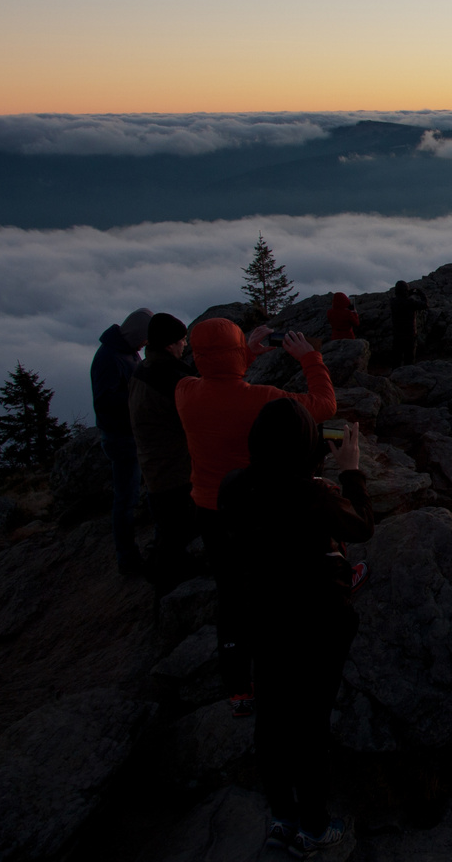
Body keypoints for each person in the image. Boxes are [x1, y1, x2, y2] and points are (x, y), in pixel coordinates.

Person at [218, 405, 372, 857]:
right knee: (310, 723)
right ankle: (315, 827)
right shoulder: (316, 496)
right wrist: (350, 470)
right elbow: (361, 524)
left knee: (272, 719)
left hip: (262, 616)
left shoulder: (236, 487)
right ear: (307, 447)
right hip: (318, 619)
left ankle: (282, 817)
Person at [175, 319, 336, 716]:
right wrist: (310, 358)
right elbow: (324, 406)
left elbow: (215, 378)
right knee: (278, 577)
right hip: (262, 504)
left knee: (230, 590)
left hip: (211, 506)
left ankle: (238, 687)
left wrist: (244, 353)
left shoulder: (185, 392)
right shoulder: (262, 399)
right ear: (233, 354)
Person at [127, 312, 198, 593]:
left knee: (166, 532)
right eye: (182, 341)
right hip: (176, 472)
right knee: (178, 538)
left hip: (154, 469)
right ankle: (170, 592)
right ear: (170, 344)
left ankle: (162, 580)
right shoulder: (171, 379)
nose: (184, 346)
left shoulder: (142, 370)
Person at [91, 308, 152, 574]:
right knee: (126, 498)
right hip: (120, 438)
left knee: (138, 493)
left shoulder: (125, 350)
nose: (145, 344)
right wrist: (137, 397)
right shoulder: (109, 357)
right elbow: (104, 400)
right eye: (145, 338)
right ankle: (127, 558)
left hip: (131, 434)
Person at [389, 281, 428, 367]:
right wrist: (421, 294)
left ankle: (394, 376)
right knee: (409, 359)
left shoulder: (393, 302)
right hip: (410, 335)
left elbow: (401, 298)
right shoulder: (410, 302)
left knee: (396, 359)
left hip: (397, 334)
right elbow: (425, 305)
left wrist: (408, 293)